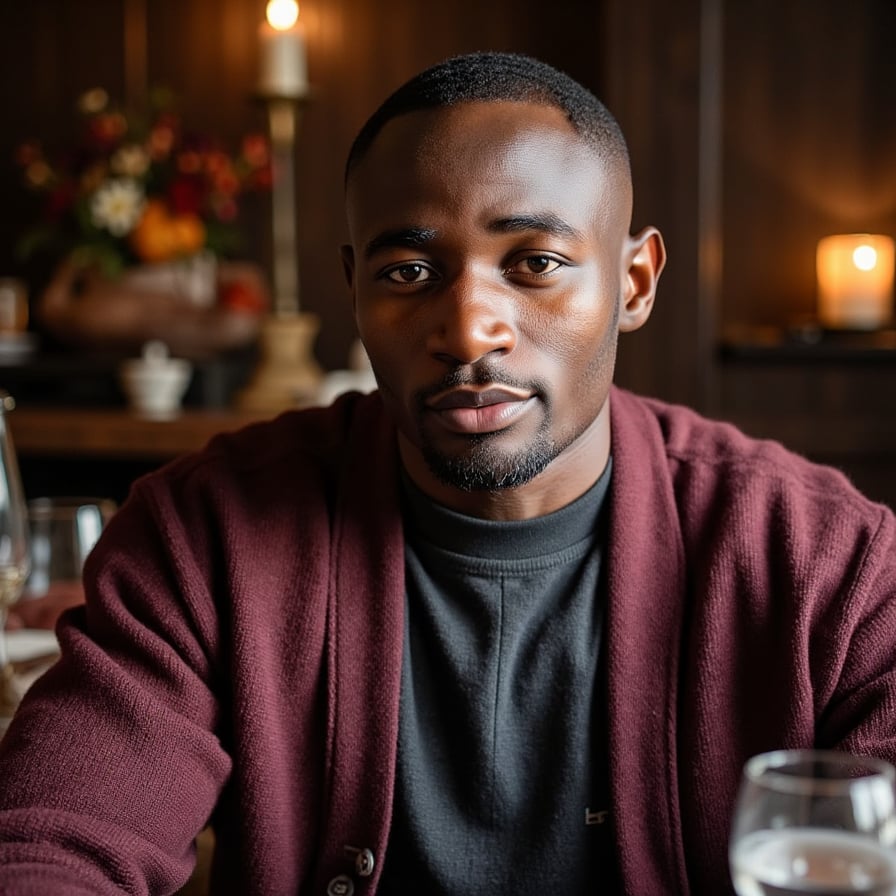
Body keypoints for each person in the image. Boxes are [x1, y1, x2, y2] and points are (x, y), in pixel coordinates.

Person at [0, 50, 895, 896]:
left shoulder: (829, 562)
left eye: (536, 264)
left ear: (634, 283)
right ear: (355, 290)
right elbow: (53, 843)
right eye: (409, 271)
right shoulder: (203, 534)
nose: (469, 329)